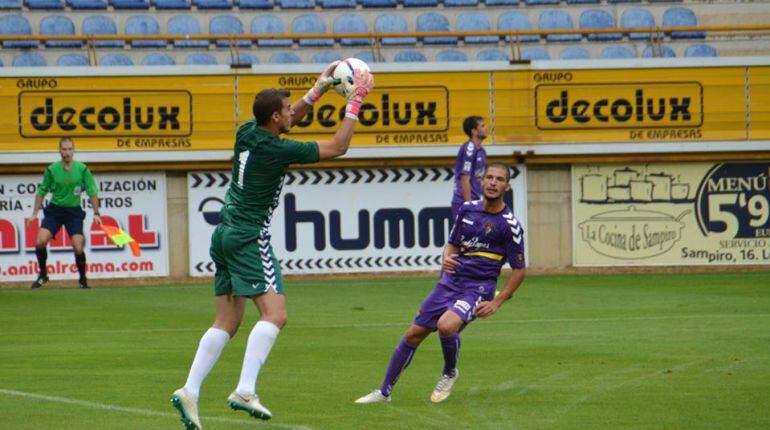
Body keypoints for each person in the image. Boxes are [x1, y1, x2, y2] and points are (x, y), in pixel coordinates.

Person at [171, 62, 374, 430]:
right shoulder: (276, 149)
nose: (291, 111)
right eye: (286, 109)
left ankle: (190, 390)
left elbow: (293, 113)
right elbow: (339, 147)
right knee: (275, 314)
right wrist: (354, 101)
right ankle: (246, 389)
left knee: (227, 320)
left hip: (224, 232)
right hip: (249, 234)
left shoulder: (248, 131)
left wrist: (320, 88)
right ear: (275, 118)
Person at [355, 163, 526, 404]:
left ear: (507, 186)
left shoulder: (509, 225)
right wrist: (446, 257)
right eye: (489, 177)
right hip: (450, 282)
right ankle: (384, 393)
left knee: (446, 326)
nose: (493, 182)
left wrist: (497, 301)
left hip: (478, 287)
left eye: (499, 179)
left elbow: (520, 270)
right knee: (414, 334)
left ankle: (449, 372)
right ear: (482, 181)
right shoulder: (467, 210)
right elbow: (453, 243)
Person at [26, 137, 102, 290]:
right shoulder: (51, 170)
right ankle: (43, 275)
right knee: (40, 241)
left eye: (70, 149)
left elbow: (92, 191)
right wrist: (34, 212)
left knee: (78, 246)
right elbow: (42, 191)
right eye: (64, 149)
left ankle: (82, 279)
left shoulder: (82, 169)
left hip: (74, 211)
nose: (67, 152)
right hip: (55, 210)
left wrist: (96, 213)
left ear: (74, 150)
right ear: (59, 150)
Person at [451, 116, 488, 221]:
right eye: (482, 126)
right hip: (463, 202)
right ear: (474, 131)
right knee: (464, 236)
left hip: (476, 202)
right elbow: (464, 179)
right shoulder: (469, 149)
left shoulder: (482, 151)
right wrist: (469, 205)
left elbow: (480, 179)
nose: (486, 128)